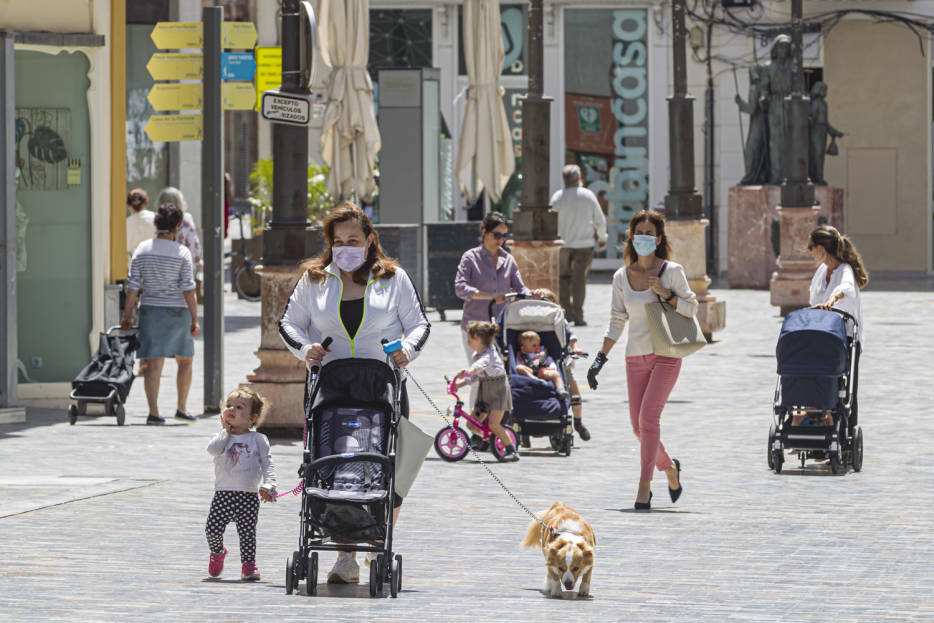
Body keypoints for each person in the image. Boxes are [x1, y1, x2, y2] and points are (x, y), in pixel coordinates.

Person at [277, 201, 431, 584]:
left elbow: (419, 324)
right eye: (338, 240)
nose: (346, 246)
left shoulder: (392, 278)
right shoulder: (315, 279)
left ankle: (377, 536)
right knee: (335, 463)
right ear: (329, 243)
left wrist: (407, 350)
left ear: (370, 240)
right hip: (331, 386)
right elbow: (289, 324)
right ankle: (345, 556)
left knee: (389, 464)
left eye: (354, 239)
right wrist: (305, 349)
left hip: (382, 385)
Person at [586, 210, 697, 510]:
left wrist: (667, 295)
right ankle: (670, 469)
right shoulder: (621, 276)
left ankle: (644, 487)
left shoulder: (671, 271)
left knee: (648, 419)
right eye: (639, 233)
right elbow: (617, 319)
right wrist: (599, 359)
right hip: (635, 356)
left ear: (658, 239)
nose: (644, 239)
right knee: (638, 427)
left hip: (667, 354)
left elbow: (692, 308)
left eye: (650, 234)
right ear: (631, 237)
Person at [121, 203, 201, 424]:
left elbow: (133, 287)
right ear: (177, 225)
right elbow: (188, 289)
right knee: (185, 360)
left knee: (154, 363)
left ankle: (154, 413)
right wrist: (194, 319)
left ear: (157, 224)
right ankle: (182, 408)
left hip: (151, 311)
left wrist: (128, 315)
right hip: (178, 312)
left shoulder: (142, 249)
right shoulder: (182, 252)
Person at [791, 224, 868, 426]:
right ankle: (815, 422)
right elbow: (812, 300)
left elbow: (846, 289)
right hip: (821, 335)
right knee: (812, 374)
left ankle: (845, 434)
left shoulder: (844, 271)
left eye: (811, 247)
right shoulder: (821, 271)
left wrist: (832, 300)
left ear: (821, 249)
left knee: (845, 387)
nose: (809, 251)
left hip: (844, 337)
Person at [454, 211, 532, 409]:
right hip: (476, 329)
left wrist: (534, 294)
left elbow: (519, 287)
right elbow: (460, 288)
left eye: (504, 235)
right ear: (484, 232)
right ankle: (475, 427)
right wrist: (489, 296)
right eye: (497, 235)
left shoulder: (508, 260)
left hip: (501, 328)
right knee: (479, 375)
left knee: (500, 375)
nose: (501, 240)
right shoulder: (470, 258)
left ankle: (497, 424)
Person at [205, 387, 277, 581]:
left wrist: (270, 483)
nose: (231, 410)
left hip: (248, 495)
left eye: (238, 407)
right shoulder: (222, 438)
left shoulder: (258, 439)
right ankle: (218, 552)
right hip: (223, 493)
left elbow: (267, 463)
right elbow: (212, 450)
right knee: (212, 529)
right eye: (228, 406)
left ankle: (248, 565)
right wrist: (224, 431)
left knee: (247, 533)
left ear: (252, 418)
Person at [454, 321, 519, 461]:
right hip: (485, 390)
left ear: (476, 338)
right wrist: (460, 384)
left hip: (498, 390)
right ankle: (490, 438)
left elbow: (479, 366)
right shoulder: (477, 355)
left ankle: (511, 450)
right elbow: (477, 376)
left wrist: (468, 371)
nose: (468, 342)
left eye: (469, 339)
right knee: (471, 424)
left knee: (494, 424)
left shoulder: (490, 354)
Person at [551, 164, 607, 326]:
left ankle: (566, 314)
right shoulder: (588, 195)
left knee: (563, 279)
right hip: (584, 244)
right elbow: (599, 219)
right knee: (579, 281)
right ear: (579, 178)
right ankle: (578, 315)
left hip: (562, 245)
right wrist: (602, 238)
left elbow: (551, 221)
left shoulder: (557, 197)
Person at [535, 288, 590, 441]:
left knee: (575, 394)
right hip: (542, 361)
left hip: (561, 360)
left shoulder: (560, 320)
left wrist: (575, 348)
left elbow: (571, 336)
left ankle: (578, 422)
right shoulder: (533, 321)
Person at [156, 186, 202, 297]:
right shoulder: (186, 218)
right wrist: (197, 260)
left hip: (160, 265)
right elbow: (194, 244)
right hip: (182, 264)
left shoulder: (157, 219)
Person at [760, 34, 793, 185]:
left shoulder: (793, 66)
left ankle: (789, 175)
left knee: (790, 140)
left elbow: (799, 86)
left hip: (790, 104)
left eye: (786, 47)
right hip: (774, 104)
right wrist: (764, 97)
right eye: (781, 47)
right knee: (775, 142)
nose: (783, 50)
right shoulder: (768, 67)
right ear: (775, 48)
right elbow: (764, 88)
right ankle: (776, 176)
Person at [735, 64, 770, 186]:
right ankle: (758, 175)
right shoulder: (764, 87)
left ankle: (751, 176)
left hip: (757, 123)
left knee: (750, 150)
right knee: (759, 151)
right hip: (763, 123)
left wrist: (740, 103)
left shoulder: (755, 88)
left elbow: (752, 109)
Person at [516, 330, 569, 400]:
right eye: (534, 345)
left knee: (556, 375)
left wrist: (552, 365)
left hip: (542, 370)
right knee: (519, 367)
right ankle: (534, 379)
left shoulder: (542, 352)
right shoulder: (521, 354)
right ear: (523, 348)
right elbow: (518, 364)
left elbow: (549, 359)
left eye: (538, 344)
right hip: (529, 371)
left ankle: (560, 389)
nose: (537, 347)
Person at [126, 188, 155, 262]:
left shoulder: (126, 223)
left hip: (133, 265)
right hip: (154, 264)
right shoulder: (156, 219)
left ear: (128, 205)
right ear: (146, 202)